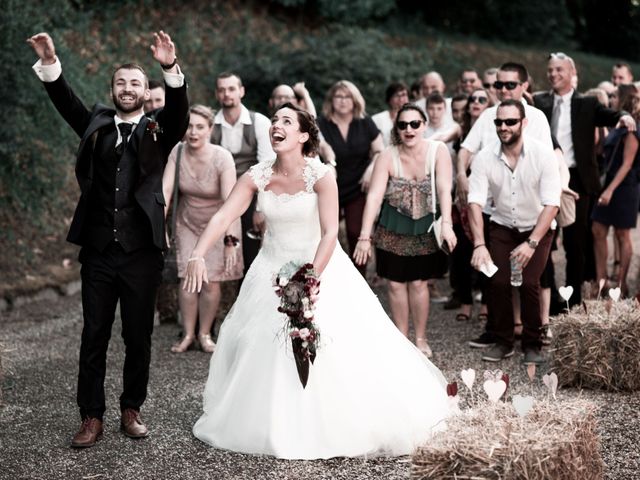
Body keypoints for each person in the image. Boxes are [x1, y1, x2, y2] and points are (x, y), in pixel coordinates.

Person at [185, 103, 450, 459]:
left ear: (303, 136)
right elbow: (222, 217)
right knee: (260, 343)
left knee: (335, 346)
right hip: (269, 270)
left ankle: (331, 419)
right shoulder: (257, 176)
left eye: (286, 121)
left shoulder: (321, 175)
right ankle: (273, 421)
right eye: (274, 120)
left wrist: (308, 278)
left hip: (318, 267)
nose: (276, 125)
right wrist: (198, 253)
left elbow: (329, 234)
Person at [28, 31, 189, 447]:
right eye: (121, 83)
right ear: (112, 90)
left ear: (145, 91)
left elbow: (180, 114)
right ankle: (91, 416)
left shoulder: (159, 129)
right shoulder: (97, 124)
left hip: (141, 253)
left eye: (135, 83)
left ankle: (131, 408)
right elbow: (67, 103)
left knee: (138, 335)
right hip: (99, 250)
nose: (128, 89)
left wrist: (170, 68)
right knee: (93, 333)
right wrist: (50, 63)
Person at [353, 104, 456, 357]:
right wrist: (364, 237)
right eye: (403, 125)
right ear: (396, 129)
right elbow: (375, 197)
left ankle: (420, 338)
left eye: (414, 124)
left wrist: (448, 224)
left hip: (424, 227)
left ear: (424, 125)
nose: (408, 129)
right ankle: (401, 337)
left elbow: (444, 189)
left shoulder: (438, 151)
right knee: (396, 285)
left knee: (420, 283)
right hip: (392, 228)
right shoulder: (387, 156)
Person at [533, 52, 635, 306]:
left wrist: (624, 116)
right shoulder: (539, 102)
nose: (554, 74)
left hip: (577, 180)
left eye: (560, 70)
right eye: (551, 70)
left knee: (575, 243)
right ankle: (550, 296)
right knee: (543, 240)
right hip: (544, 178)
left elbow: (609, 115)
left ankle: (574, 297)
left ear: (571, 72)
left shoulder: (587, 104)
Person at [469, 100, 561, 365]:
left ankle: (532, 344)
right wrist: (478, 244)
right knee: (496, 281)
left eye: (510, 121)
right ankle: (503, 341)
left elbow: (552, 204)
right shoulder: (485, 157)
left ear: (524, 123)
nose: (503, 127)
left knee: (530, 282)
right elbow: (474, 201)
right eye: (499, 122)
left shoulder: (543, 155)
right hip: (502, 227)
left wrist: (531, 243)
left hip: (537, 228)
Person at [162, 105, 243, 353]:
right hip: (187, 223)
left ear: (210, 129)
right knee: (187, 277)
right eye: (189, 126)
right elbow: (165, 191)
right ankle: (187, 334)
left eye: (199, 127)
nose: (193, 132)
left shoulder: (222, 157)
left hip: (219, 224)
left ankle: (205, 333)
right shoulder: (177, 151)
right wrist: (159, 226)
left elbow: (231, 202)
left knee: (210, 282)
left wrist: (231, 241)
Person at [317, 80, 384, 275]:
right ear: (331, 100)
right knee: (327, 235)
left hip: (358, 187)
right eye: (338, 96)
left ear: (355, 100)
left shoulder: (364, 122)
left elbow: (379, 150)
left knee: (356, 232)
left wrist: (371, 169)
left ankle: (359, 278)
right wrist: (329, 161)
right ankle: (327, 277)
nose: (343, 101)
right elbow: (320, 146)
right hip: (330, 188)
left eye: (347, 97)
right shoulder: (322, 123)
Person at [212, 72, 275, 275]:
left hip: (251, 195)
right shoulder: (211, 124)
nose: (226, 94)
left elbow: (266, 167)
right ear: (216, 94)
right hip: (218, 194)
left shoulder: (260, 123)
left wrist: (260, 207)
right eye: (221, 90)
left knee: (251, 255)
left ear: (241, 91)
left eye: (231, 89)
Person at [591, 84, 640, 297]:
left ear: (622, 98)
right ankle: (601, 280)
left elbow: (627, 163)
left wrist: (609, 190)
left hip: (624, 186)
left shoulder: (631, 128)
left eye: (614, 96)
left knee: (622, 234)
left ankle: (621, 284)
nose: (610, 99)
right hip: (609, 182)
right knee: (598, 229)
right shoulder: (618, 125)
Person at [371, 81, 410, 147]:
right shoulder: (377, 119)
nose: (401, 99)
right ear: (389, 99)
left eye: (403, 95)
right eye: (396, 95)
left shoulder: (414, 118)